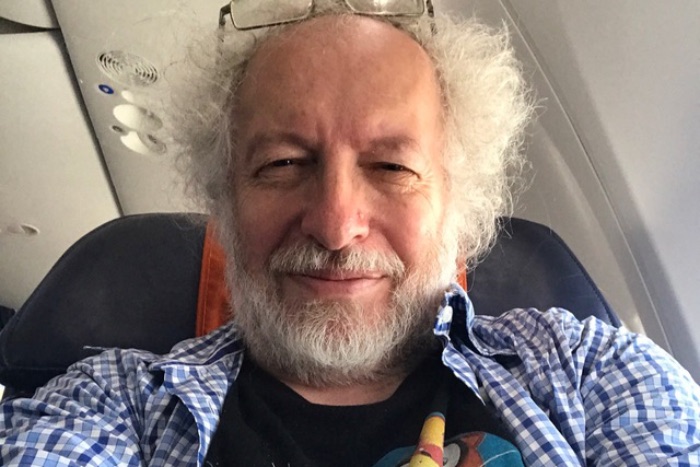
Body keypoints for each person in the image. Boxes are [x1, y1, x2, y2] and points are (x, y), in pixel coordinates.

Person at [1, 1, 699, 465]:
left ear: (458, 202)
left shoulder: (589, 373)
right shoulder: (114, 403)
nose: (336, 226)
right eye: (282, 164)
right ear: (225, 201)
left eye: (392, 167)